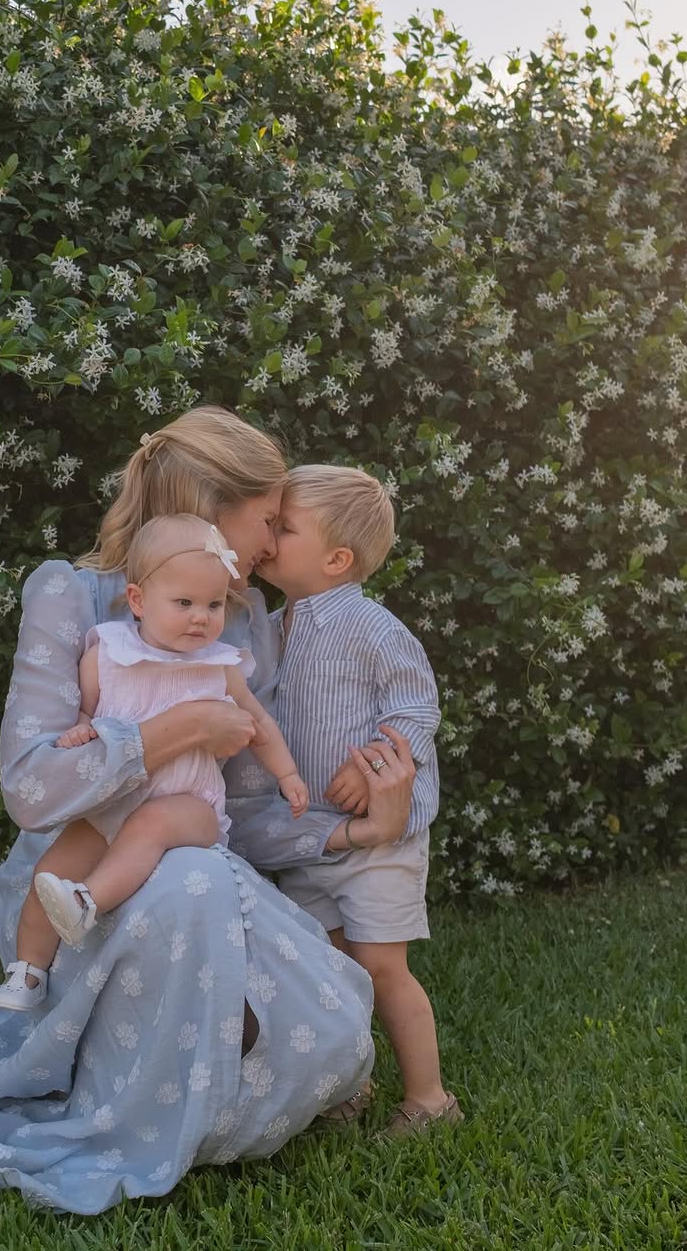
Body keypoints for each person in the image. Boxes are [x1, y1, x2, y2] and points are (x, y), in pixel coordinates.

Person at [0, 407, 416, 1215]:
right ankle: (135, 1099)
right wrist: (177, 730)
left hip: (200, 871)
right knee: (191, 885)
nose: (271, 545)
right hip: (75, 887)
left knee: (319, 1016)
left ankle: (205, 1063)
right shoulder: (71, 595)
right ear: (211, 511)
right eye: (267, 521)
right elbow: (30, 791)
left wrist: (352, 830)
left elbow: (248, 811)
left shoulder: (241, 621)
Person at [0, 513, 309, 1010]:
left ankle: (89, 900)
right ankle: (27, 971)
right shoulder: (108, 654)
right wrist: (80, 729)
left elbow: (259, 724)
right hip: (113, 799)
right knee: (51, 868)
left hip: (189, 804)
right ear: (138, 601)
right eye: (184, 603)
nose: (201, 617)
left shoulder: (219, 667)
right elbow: (86, 712)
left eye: (214, 605)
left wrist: (286, 773)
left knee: (152, 824)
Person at [253, 464, 462, 1136]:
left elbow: (415, 708)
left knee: (380, 964)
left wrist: (371, 764)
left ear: (336, 559)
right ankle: (352, 1081)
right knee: (332, 967)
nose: (267, 538)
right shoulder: (272, 628)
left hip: (380, 836)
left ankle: (430, 1099)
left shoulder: (373, 628)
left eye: (284, 528)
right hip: (311, 833)